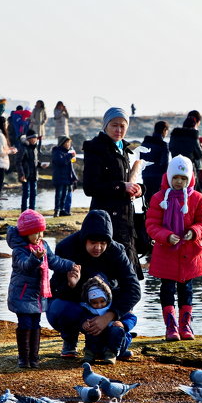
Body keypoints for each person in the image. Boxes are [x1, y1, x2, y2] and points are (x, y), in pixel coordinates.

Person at [48, 210, 142, 363]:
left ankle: (115, 345)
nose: (98, 248)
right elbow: (54, 289)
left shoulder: (117, 251)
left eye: (103, 243)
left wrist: (110, 315)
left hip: (105, 304)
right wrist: (71, 285)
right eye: (93, 243)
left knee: (128, 311)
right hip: (78, 306)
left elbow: (134, 289)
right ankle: (70, 340)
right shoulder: (66, 248)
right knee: (58, 307)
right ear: (84, 239)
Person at [147, 155, 202, 341]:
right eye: (175, 177)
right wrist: (166, 236)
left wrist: (194, 231)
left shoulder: (197, 198)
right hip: (166, 252)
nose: (179, 182)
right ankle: (171, 327)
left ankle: (185, 325)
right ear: (168, 177)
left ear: (189, 179)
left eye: (183, 178)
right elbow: (151, 224)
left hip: (189, 254)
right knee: (167, 289)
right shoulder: (159, 198)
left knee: (187, 290)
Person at [8, 210, 77, 367]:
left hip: (38, 295)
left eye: (41, 232)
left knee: (35, 324)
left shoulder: (43, 245)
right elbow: (25, 266)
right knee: (25, 324)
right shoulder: (19, 250)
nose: (39, 236)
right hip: (22, 294)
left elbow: (54, 261)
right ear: (25, 233)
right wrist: (36, 258)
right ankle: (23, 359)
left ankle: (34, 358)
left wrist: (70, 265)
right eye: (35, 233)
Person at [81, 107, 144, 277]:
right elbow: (90, 187)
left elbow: (129, 181)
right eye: (114, 125)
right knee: (106, 275)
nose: (118, 130)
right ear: (105, 125)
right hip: (104, 221)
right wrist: (121, 186)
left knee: (127, 278)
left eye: (122, 126)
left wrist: (138, 190)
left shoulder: (124, 149)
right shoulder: (95, 148)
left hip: (126, 221)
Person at [168, 114, 202, 193]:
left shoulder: (174, 135)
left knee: (174, 191)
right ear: (195, 125)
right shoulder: (193, 136)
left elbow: (170, 148)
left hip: (175, 166)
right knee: (190, 191)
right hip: (189, 167)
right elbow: (199, 154)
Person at [139, 121, 170, 210]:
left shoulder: (145, 143)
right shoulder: (163, 145)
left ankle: (146, 220)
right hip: (158, 177)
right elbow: (165, 164)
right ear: (164, 130)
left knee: (148, 202)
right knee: (158, 203)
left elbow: (141, 160)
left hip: (146, 175)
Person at [50, 136, 78, 217]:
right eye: (67, 143)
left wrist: (74, 178)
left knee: (64, 195)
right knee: (58, 195)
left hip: (67, 178)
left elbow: (70, 167)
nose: (68, 145)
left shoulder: (67, 152)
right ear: (62, 143)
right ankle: (57, 211)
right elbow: (61, 162)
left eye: (69, 143)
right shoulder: (56, 151)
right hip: (59, 177)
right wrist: (70, 156)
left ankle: (62, 210)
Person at [17, 130, 42, 212]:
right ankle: (23, 212)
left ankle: (32, 212)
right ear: (29, 139)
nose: (35, 140)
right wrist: (21, 174)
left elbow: (34, 161)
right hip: (26, 175)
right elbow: (18, 162)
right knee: (26, 194)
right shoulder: (23, 147)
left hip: (34, 174)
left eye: (36, 138)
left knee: (33, 194)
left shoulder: (35, 148)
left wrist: (40, 165)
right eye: (34, 138)